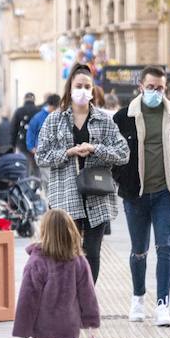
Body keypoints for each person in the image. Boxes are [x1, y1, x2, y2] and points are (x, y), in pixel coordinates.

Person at [35, 64, 129, 281]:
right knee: (67, 252)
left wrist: (96, 148)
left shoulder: (104, 120)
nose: (83, 90)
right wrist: (68, 152)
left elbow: (123, 153)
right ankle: (68, 300)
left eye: (88, 86)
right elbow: (42, 156)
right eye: (79, 86)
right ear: (69, 88)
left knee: (92, 252)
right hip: (66, 195)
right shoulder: (55, 120)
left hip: (97, 194)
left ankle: (86, 299)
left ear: (93, 90)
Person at [114, 65, 170, 326]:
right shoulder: (123, 117)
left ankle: (162, 304)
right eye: (151, 87)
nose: (156, 92)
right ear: (141, 87)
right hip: (135, 194)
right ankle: (138, 298)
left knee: (165, 248)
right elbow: (114, 153)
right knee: (139, 250)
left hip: (165, 194)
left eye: (160, 88)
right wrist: (121, 179)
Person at [13, 209, 101, 338]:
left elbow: (28, 294)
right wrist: (91, 320)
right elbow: (88, 293)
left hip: (44, 320)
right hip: (68, 319)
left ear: (45, 232)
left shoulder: (37, 260)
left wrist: (23, 323)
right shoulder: (78, 260)